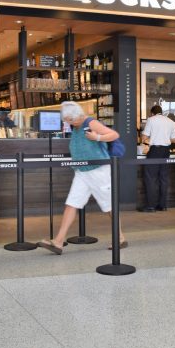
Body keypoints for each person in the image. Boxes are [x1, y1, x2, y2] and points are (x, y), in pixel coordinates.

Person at [37, 101, 125, 254]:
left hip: (98, 170)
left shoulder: (91, 122)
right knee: (71, 203)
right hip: (82, 171)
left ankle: (120, 238)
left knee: (109, 205)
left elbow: (114, 135)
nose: (69, 123)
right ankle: (58, 242)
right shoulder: (75, 126)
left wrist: (96, 137)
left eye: (70, 120)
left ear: (76, 115)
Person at [140, 104, 175, 212]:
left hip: (155, 150)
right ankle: (163, 205)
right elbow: (174, 139)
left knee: (151, 178)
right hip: (166, 151)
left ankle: (151, 206)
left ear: (152, 113)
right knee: (163, 178)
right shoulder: (170, 121)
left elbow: (144, 137)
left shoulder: (151, 120)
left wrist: (148, 139)